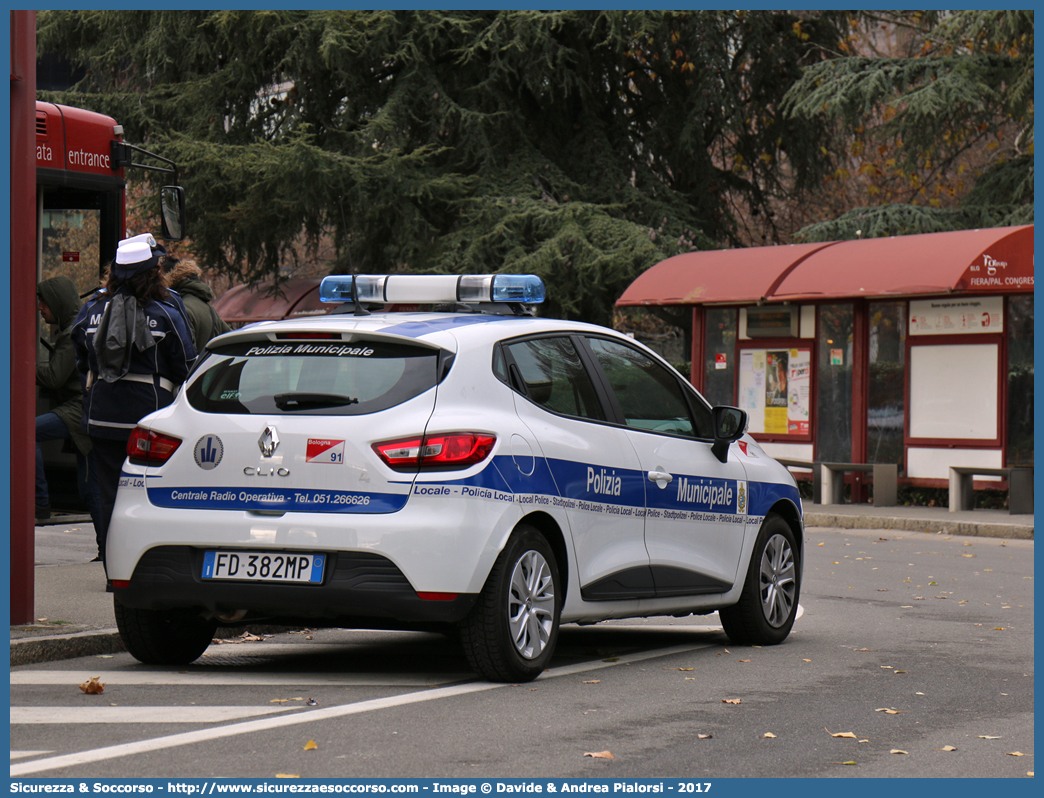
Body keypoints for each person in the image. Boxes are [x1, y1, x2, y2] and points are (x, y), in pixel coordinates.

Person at [72, 237, 197, 567]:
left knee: (109, 493)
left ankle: (114, 568)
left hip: (101, 418)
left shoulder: (92, 310)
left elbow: (81, 357)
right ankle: (149, 566)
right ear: (155, 274)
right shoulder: (165, 312)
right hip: (150, 421)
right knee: (149, 494)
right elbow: (186, 364)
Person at [35, 276, 102, 544]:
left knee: (25, 433)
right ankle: (105, 549)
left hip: (77, 411)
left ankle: (39, 501)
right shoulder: (77, 326)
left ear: (57, 302)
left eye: (44, 302)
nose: (40, 307)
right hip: (83, 410)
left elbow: (53, 377)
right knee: (90, 485)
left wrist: (18, 363)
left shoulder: (70, 332)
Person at [161, 255, 231, 352]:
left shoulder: (180, 309)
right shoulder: (208, 308)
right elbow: (230, 338)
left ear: (167, 279)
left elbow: (185, 354)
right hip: (207, 365)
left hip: (194, 366)